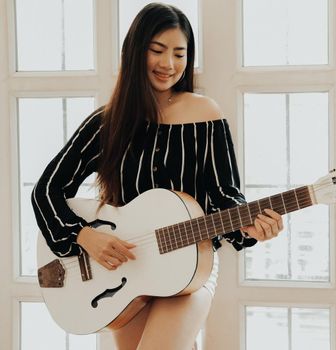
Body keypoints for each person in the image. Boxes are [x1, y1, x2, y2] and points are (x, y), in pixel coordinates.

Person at [31, 3, 283, 349]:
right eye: (157, 50)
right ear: (136, 52)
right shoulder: (107, 123)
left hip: (189, 270)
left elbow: (226, 195)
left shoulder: (204, 114)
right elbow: (46, 190)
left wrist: (249, 225)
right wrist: (83, 236)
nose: (169, 64)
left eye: (180, 54)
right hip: (124, 276)